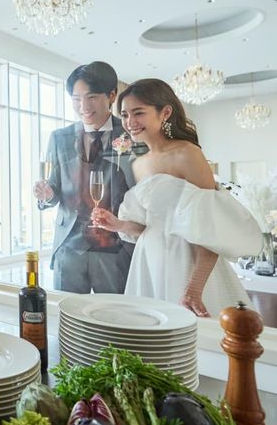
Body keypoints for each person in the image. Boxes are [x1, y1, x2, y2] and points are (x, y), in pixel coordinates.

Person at [91, 78, 262, 317]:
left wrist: (194, 288)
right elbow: (150, 225)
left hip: (186, 263)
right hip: (148, 261)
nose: (130, 123)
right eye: (124, 115)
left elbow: (211, 228)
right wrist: (118, 224)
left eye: (138, 113)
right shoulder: (139, 164)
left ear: (165, 113)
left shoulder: (188, 154)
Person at [33, 61, 135, 293]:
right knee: (68, 318)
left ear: (111, 95)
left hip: (115, 248)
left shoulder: (131, 134)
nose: (83, 106)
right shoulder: (60, 138)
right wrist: (48, 195)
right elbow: (54, 188)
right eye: (76, 99)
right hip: (69, 246)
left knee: (113, 319)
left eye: (91, 97)